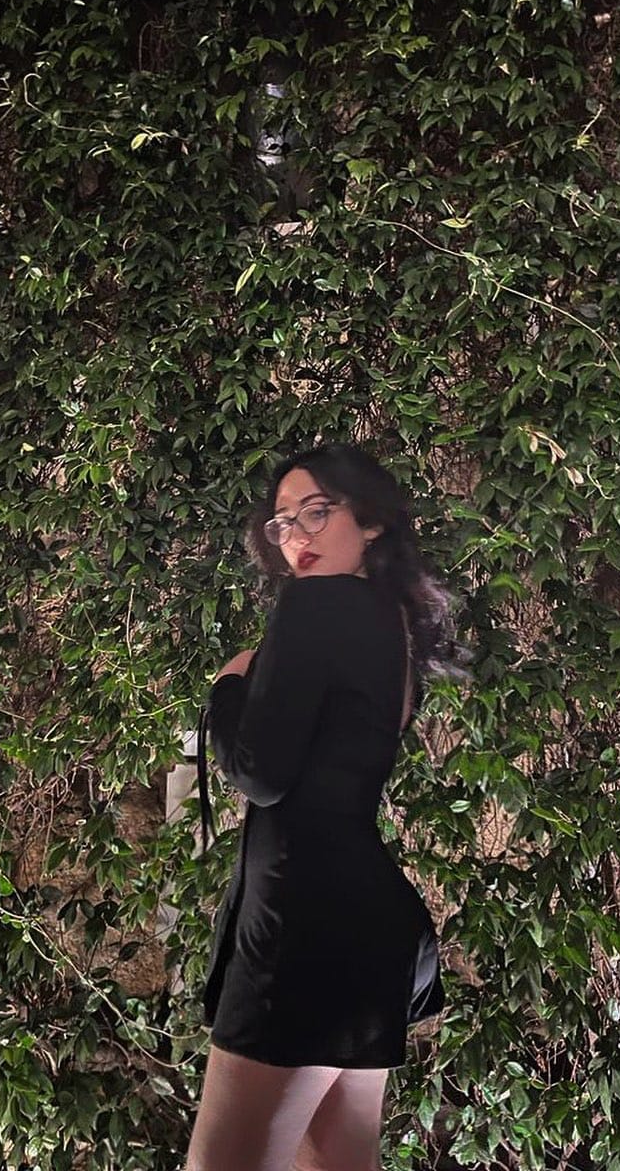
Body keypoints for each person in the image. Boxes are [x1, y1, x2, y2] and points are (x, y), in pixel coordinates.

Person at [186, 443, 468, 1171]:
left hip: (302, 930)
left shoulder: (316, 605)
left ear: (371, 520)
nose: (297, 537)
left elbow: (260, 775)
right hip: (368, 928)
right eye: (283, 523)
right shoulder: (394, 628)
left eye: (316, 511)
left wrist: (228, 689)